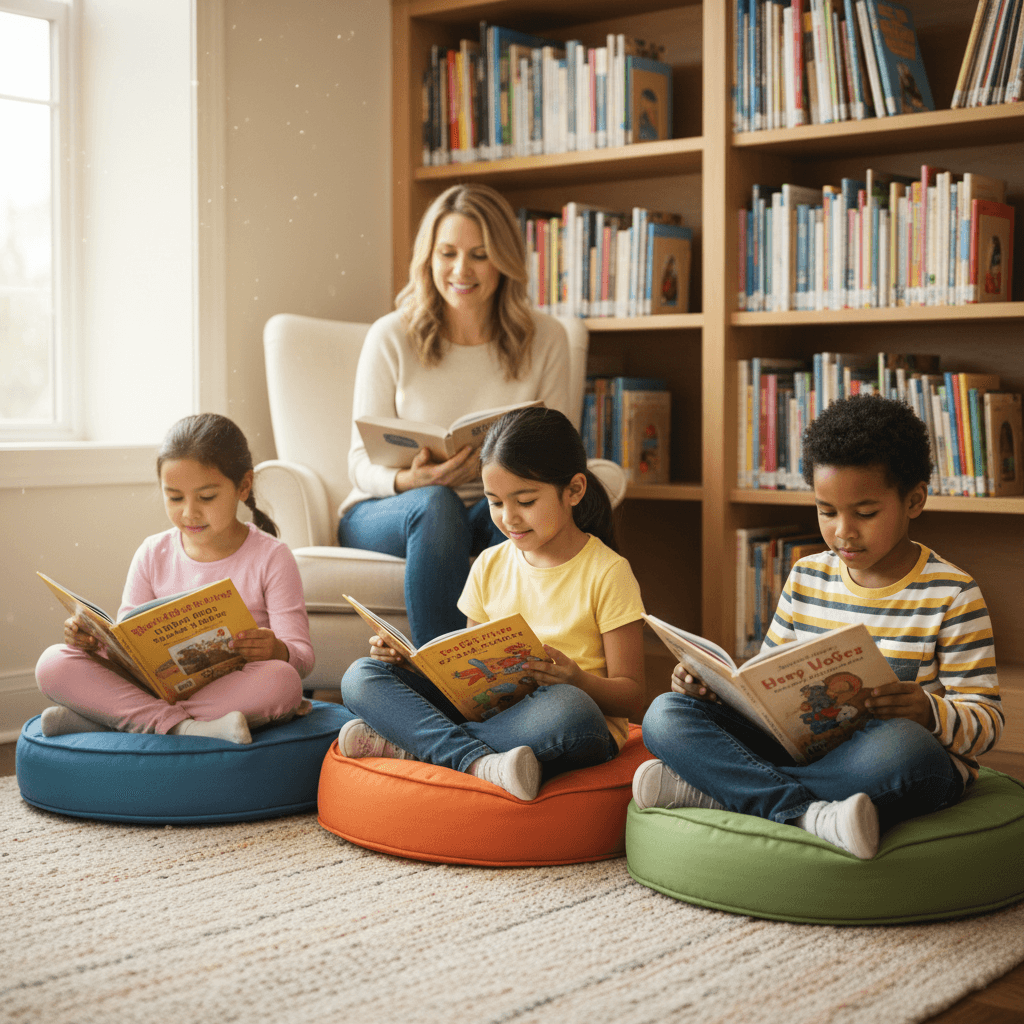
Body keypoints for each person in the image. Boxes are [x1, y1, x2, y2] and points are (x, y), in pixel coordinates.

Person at [635, 395, 1002, 859]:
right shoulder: (807, 574)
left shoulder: (952, 594)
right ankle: (810, 813)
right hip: (801, 750)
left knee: (906, 749)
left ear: (914, 500)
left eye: (864, 513)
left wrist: (929, 712)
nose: (843, 531)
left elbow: (987, 723)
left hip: (889, 759)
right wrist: (712, 688)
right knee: (665, 714)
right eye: (826, 512)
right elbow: (765, 682)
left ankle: (722, 791)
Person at [337, 407, 646, 801]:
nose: (509, 518)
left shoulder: (608, 572)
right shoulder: (489, 563)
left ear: (574, 490)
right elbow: (466, 678)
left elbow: (633, 696)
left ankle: (415, 745)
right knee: (361, 676)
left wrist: (578, 680)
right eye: (495, 503)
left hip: (567, 723)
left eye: (526, 501)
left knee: (570, 709)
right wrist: (411, 664)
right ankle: (477, 761)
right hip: (494, 719)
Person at [337, 183, 574, 648]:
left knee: (508, 513)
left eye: (480, 255)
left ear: (504, 260)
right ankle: (444, 681)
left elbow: (559, 456)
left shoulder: (546, 338)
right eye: (447, 253)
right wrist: (412, 480)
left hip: (493, 506)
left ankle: (510, 676)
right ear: (429, 258)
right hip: (389, 508)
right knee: (438, 505)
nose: (461, 270)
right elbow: (358, 464)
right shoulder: (392, 336)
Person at [35, 413, 315, 744]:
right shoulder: (153, 552)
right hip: (158, 685)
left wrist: (277, 649)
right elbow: (127, 637)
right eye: (175, 497)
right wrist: (94, 640)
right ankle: (185, 727)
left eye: (207, 497)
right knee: (53, 663)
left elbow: (302, 657)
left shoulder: (272, 556)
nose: (189, 512)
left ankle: (116, 719)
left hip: (232, 686)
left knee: (282, 682)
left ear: (243, 486)